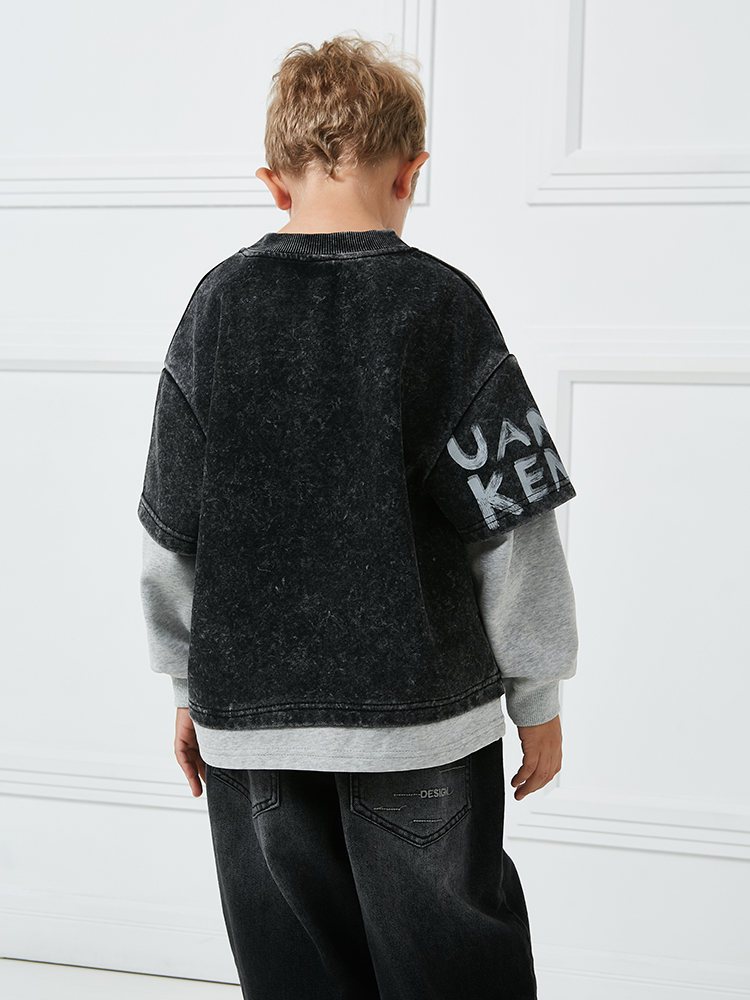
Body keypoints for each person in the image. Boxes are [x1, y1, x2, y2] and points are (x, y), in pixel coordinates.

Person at [138, 36, 578, 1000]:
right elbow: (511, 523)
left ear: (272, 183)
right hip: (420, 727)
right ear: (411, 173)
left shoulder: (215, 308)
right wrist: (537, 695)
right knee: (452, 967)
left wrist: (185, 682)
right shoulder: (442, 306)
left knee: (294, 970)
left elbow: (171, 528)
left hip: (250, 725)